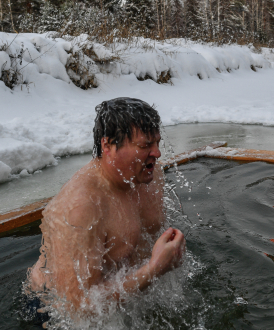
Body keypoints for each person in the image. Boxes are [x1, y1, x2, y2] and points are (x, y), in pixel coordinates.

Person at [27, 97, 186, 316]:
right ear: (108, 145)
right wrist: (153, 270)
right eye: (145, 145)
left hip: (124, 289)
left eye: (157, 142)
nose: (157, 153)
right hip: (52, 309)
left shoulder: (149, 175)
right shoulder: (83, 205)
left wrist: (163, 260)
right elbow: (77, 307)